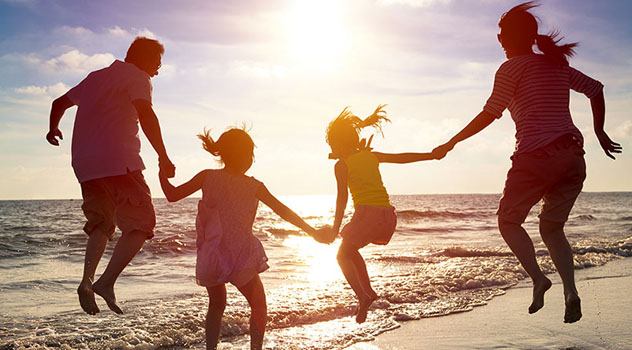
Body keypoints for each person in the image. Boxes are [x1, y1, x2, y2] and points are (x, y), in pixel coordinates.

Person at [432, 2, 622, 323]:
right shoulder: (555, 65)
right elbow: (596, 89)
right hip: (573, 157)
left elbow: (491, 112)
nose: (499, 38)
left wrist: (452, 141)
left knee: (508, 221)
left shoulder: (511, 68)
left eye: (502, 33)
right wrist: (600, 132)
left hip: (537, 156)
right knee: (551, 227)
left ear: (509, 38)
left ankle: (538, 278)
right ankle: (570, 292)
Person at [159, 127, 332, 350]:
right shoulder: (254, 186)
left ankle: (210, 348)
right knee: (258, 303)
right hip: (240, 255)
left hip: (211, 256)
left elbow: (172, 195)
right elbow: (283, 212)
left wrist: (161, 173)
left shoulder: (207, 176)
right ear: (244, 155)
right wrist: (313, 231)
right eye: (250, 154)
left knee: (217, 304)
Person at [46, 37, 176, 315]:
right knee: (142, 224)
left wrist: (52, 129)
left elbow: (59, 103)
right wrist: (163, 156)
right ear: (143, 58)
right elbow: (146, 113)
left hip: (86, 166)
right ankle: (106, 283)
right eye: (157, 63)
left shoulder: (95, 78)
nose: (157, 70)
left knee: (102, 223)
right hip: (120, 161)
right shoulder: (138, 77)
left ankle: (86, 281)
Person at [326, 105, 439, 323]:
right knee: (350, 250)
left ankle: (363, 295)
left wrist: (334, 228)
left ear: (338, 144)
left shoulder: (342, 165)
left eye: (332, 144)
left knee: (342, 255)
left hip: (367, 215)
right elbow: (402, 158)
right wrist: (431, 155)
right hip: (387, 216)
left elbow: (342, 199)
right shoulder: (371, 156)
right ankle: (368, 293)